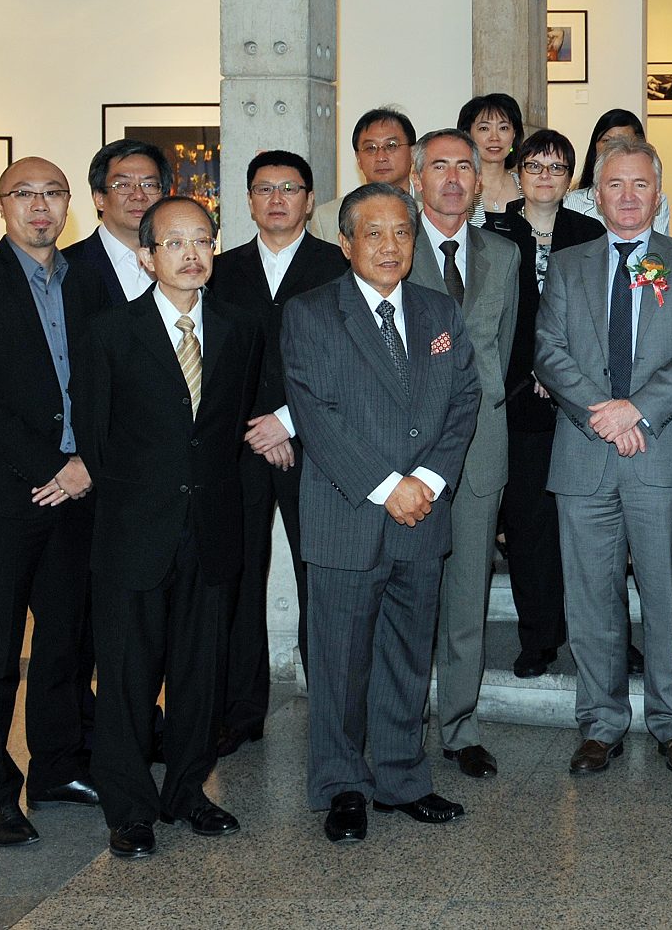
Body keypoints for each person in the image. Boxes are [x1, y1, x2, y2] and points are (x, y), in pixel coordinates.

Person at [281, 182, 481, 844]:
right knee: (339, 664)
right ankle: (342, 785)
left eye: (402, 232)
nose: (390, 246)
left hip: (422, 514)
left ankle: (402, 778)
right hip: (348, 514)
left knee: (406, 657)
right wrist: (387, 485)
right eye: (374, 233)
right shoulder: (311, 313)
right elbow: (315, 414)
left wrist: (427, 481)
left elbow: (465, 398)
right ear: (345, 243)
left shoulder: (438, 310)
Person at [76, 195, 270, 858]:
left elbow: (230, 427)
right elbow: (97, 439)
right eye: (175, 243)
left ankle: (187, 790)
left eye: (203, 240)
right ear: (146, 256)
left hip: (211, 527)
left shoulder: (240, 328)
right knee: (127, 678)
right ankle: (129, 807)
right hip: (135, 530)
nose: (192, 254)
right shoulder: (110, 332)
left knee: (199, 674)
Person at [535, 137, 672, 778]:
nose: (629, 195)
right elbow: (548, 350)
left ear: (658, 193)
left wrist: (636, 409)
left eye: (641, 184)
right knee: (590, 599)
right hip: (585, 452)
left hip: (662, 452)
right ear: (596, 194)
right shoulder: (568, 263)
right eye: (615, 184)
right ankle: (600, 723)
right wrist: (605, 414)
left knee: (665, 596)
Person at [0, 157, 101, 847]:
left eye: (53, 193)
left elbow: (108, 383)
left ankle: (57, 768)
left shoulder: (87, 282)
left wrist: (86, 468)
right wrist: (55, 468)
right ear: (1, 206)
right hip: (3, 499)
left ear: (70, 204)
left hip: (77, 494)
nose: (40, 206)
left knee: (65, 643)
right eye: (25, 194)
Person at [206, 149, 348, 757]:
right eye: (264, 188)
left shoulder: (337, 266)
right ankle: (240, 711)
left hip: (316, 446)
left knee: (321, 575)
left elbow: (347, 360)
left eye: (290, 188)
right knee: (237, 576)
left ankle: (332, 710)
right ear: (248, 200)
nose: (277, 199)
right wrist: (254, 428)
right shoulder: (219, 270)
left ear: (310, 201)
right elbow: (209, 362)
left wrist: (287, 422)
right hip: (239, 446)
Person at [406, 130, 521, 782]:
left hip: (480, 445)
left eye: (463, 168)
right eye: (438, 167)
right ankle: (399, 724)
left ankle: (460, 725)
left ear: (479, 182)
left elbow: (503, 345)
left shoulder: (502, 254)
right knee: (405, 595)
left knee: (468, 592)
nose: (452, 179)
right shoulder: (392, 241)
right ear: (416, 178)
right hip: (406, 446)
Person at [482, 129, 606, 678]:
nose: (544, 176)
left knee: (589, 527)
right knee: (529, 526)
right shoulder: (493, 230)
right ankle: (539, 637)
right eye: (534, 165)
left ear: (570, 176)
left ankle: (603, 636)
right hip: (517, 401)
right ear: (518, 171)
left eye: (556, 167)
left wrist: (560, 372)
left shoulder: (590, 232)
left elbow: (602, 313)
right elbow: (489, 318)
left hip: (581, 400)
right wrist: (532, 369)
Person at [65, 139, 172, 309]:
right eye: (123, 185)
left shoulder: (185, 260)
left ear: (164, 197)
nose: (138, 195)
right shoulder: (65, 267)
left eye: (149, 185)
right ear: (99, 198)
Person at [566, 108, 672, 236]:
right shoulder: (571, 202)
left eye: (624, 140)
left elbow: (658, 246)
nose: (615, 147)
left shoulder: (656, 199)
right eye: (607, 141)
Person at [313, 106, 416, 240]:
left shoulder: (430, 210)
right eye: (370, 148)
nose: (381, 157)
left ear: (412, 153)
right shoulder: (327, 218)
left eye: (391, 146)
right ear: (358, 159)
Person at [458, 92, 525, 220]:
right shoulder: (458, 186)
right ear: (467, 135)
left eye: (503, 128)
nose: (494, 137)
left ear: (514, 135)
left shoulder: (527, 186)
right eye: (484, 128)